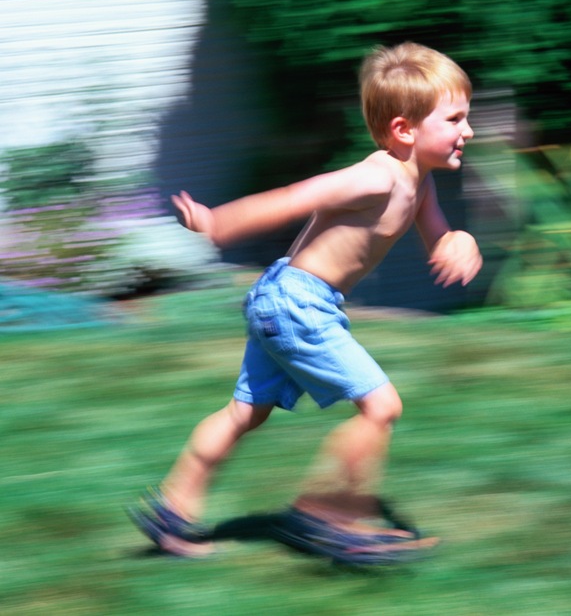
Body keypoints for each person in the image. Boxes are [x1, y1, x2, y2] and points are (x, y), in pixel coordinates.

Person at [129, 42, 481, 560]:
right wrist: (217, 223)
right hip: (298, 302)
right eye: (455, 119)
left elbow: (440, 240)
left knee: (244, 413)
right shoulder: (377, 176)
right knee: (381, 406)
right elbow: (300, 196)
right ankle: (327, 512)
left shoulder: (419, 184)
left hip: (284, 299)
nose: (467, 131)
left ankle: (172, 513)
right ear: (405, 130)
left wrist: (461, 243)